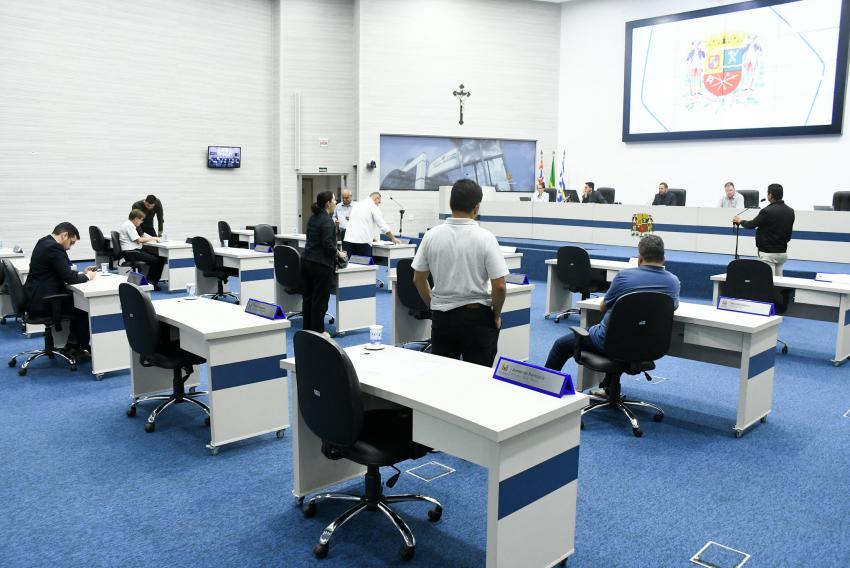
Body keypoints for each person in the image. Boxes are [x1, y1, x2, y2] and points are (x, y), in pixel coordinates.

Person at [544, 234, 680, 395]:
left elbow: (603, 307)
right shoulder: (673, 282)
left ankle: (545, 389)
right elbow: (671, 308)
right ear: (663, 258)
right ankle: (608, 388)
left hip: (609, 342)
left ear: (639, 258)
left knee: (561, 346)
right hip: (648, 345)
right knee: (625, 332)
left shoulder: (624, 276)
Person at [411, 179, 509, 367]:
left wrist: (433, 304)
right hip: (477, 318)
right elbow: (500, 286)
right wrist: (496, 316)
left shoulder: (431, 235)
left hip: (442, 317)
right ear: (477, 207)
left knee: (444, 375)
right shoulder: (486, 238)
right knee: (479, 375)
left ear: (451, 203)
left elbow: (418, 278)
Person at [24, 222, 97, 358]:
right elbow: (69, 278)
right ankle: (77, 348)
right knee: (84, 308)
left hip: (35, 297)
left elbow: (61, 271)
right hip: (44, 302)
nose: (69, 247)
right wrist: (88, 276)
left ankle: (73, 344)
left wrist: (81, 274)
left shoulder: (43, 242)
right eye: (71, 242)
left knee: (75, 301)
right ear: (64, 235)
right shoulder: (54, 247)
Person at [302, 191, 347, 335]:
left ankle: (307, 330)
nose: (336, 202)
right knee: (320, 301)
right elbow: (327, 244)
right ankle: (318, 332)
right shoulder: (327, 221)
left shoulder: (313, 217)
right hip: (320, 265)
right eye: (334, 200)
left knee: (308, 298)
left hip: (307, 261)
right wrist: (339, 254)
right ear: (328, 203)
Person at [733, 183, 795, 276]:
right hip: (782, 252)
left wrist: (740, 220)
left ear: (770, 195)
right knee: (779, 281)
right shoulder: (790, 211)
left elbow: (751, 225)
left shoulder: (767, 211)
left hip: (768, 253)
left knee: (768, 281)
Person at [342, 191, 400, 258]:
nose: (378, 204)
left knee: (351, 264)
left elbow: (360, 223)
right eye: (379, 202)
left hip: (348, 240)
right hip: (362, 242)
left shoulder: (357, 204)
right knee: (364, 264)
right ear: (377, 198)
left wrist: (371, 237)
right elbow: (382, 225)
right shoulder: (373, 206)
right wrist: (393, 238)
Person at [118, 209, 165, 290]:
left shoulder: (128, 224)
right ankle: (151, 282)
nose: (141, 222)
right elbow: (139, 240)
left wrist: (147, 239)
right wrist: (155, 238)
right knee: (157, 260)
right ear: (136, 218)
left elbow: (138, 239)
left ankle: (150, 281)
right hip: (132, 253)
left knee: (160, 257)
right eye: (141, 220)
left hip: (132, 251)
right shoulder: (129, 225)